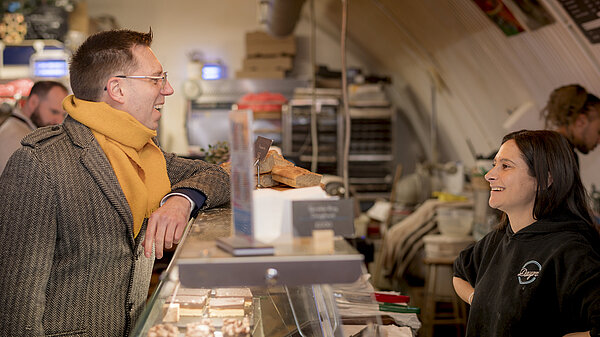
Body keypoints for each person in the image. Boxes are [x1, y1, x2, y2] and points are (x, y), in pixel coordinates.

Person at [0, 29, 230, 336]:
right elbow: (18, 309)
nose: (169, 89)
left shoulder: (147, 155)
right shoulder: (40, 163)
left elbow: (220, 176)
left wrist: (181, 200)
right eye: (156, 79)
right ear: (117, 89)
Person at [453, 130, 600, 337]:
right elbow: (459, 273)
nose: (489, 175)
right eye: (495, 164)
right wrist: (478, 299)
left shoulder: (571, 250)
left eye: (505, 166)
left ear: (544, 180)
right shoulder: (499, 238)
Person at [0, 80, 68, 172]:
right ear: (33, 102)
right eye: (54, 112)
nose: (59, 121)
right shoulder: (16, 138)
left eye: (63, 115)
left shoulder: (21, 130)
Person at [541, 84, 600, 166]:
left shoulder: (544, 148)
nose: (599, 140)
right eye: (599, 132)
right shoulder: (560, 157)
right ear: (581, 121)